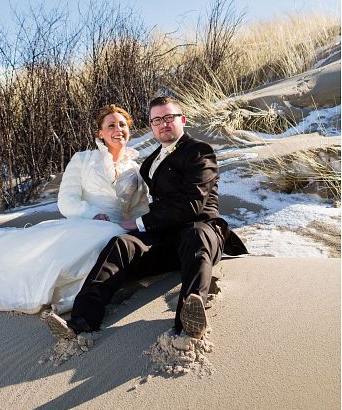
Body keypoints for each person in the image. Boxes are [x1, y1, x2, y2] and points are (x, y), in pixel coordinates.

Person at [46, 95, 248, 341]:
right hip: (167, 239)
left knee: (194, 235)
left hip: (202, 233)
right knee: (122, 245)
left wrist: (139, 224)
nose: (163, 124)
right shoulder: (149, 163)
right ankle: (81, 321)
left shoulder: (199, 151)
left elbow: (192, 204)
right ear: (151, 126)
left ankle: (187, 322)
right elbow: (143, 206)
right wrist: (135, 228)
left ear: (182, 120)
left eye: (169, 118)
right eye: (157, 120)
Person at [0, 105, 150, 315]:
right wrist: (93, 214)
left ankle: (78, 301)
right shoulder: (83, 159)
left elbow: (139, 209)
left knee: (114, 241)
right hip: (85, 222)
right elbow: (66, 200)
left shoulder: (136, 170)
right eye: (111, 125)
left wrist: (139, 227)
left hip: (117, 227)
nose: (118, 129)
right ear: (101, 133)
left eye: (123, 125)